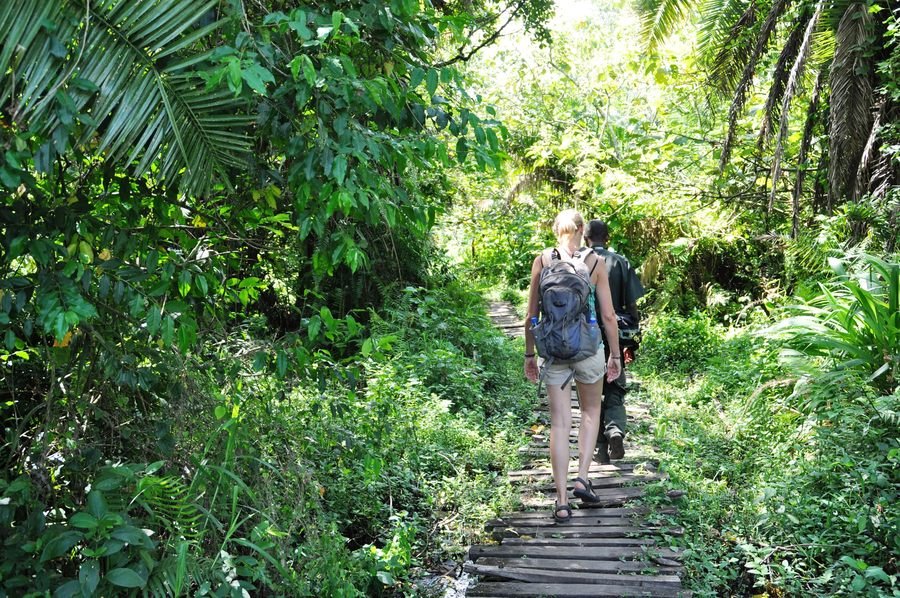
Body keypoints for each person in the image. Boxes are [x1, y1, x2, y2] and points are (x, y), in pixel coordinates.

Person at [524, 209, 621, 523]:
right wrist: (615, 356)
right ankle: (582, 477)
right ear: (582, 229)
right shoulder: (595, 262)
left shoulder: (542, 260)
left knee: (559, 424)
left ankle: (562, 501)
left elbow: (531, 316)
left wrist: (529, 355)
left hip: (554, 352)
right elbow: (608, 317)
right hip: (588, 350)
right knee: (591, 412)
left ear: (557, 230)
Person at [583, 219, 645, 462]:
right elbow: (632, 305)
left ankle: (599, 448)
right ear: (607, 238)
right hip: (615, 335)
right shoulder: (620, 261)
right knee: (615, 387)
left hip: (585, 336)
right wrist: (634, 336)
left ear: (585, 237)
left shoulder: (579, 261)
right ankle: (615, 430)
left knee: (590, 395)